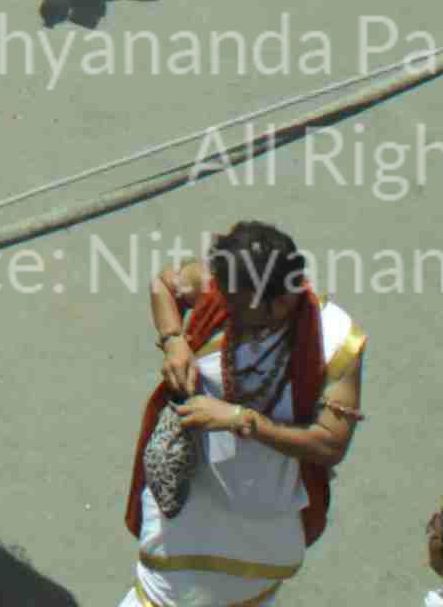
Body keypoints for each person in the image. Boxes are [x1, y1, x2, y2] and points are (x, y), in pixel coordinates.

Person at [124, 226, 363, 607]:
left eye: (239, 306)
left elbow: (330, 444)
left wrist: (241, 420)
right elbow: (163, 284)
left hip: (261, 525)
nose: (223, 308)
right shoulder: (224, 288)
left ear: (281, 302)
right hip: (187, 507)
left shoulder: (335, 340)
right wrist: (174, 340)